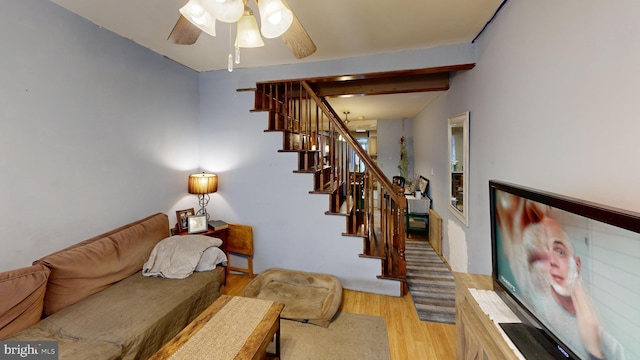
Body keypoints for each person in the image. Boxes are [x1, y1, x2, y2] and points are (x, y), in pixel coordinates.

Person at [521, 217, 625, 360]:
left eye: (559, 252)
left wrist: (594, 351)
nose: (552, 262)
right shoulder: (536, 308)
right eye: (544, 256)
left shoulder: (611, 346)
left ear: (577, 265)